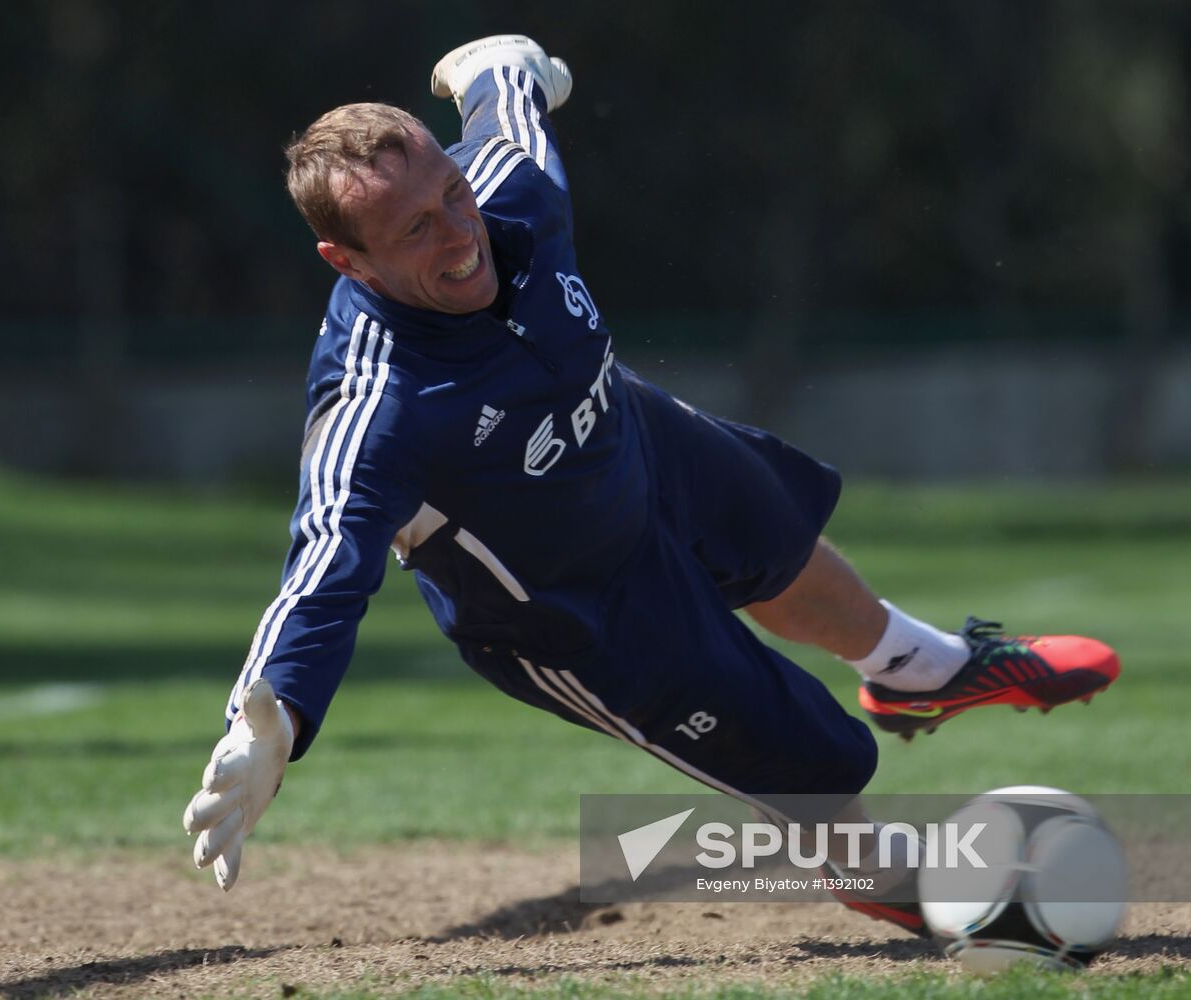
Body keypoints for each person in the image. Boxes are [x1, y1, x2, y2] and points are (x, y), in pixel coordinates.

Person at [182, 36, 1119, 936]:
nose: (460, 230)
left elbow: (507, 97)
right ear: (347, 262)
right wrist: (268, 721)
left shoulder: (508, 190)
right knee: (793, 749)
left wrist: (500, 58)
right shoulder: (379, 410)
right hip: (570, 602)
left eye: (451, 190)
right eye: (415, 228)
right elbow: (324, 573)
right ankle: (889, 880)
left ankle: (921, 671)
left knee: (776, 532)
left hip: (631, 440)